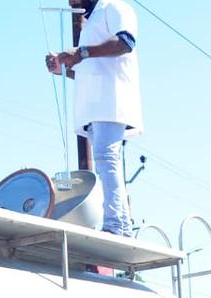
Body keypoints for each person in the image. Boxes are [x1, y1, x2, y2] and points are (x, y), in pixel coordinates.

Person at [45, 0, 142, 237]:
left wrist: (81, 52)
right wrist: (61, 68)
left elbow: (125, 43)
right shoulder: (91, 22)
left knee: (106, 160)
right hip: (95, 106)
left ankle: (116, 225)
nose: (70, 1)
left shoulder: (115, 8)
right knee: (106, 162)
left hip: (112, 100)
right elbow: (87, 71)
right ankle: (120, 224)